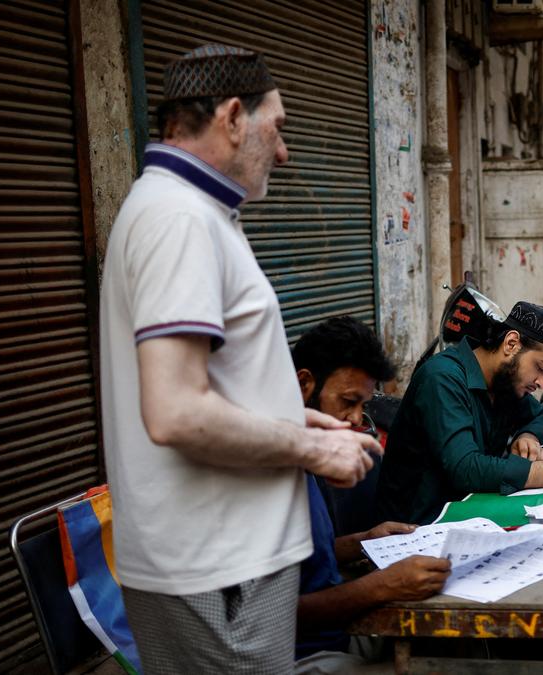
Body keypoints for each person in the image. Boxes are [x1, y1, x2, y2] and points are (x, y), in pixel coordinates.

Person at [98, 45, 382, 673]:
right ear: (231, 117)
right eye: (276, 127)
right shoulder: (180, 220)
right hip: (218, 568)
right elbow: (174, 412)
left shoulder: (193, 212)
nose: (283, 152)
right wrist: (313, 450)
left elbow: (208, 387)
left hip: (225, 565)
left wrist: (296, 418)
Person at [288, 318, 451, 673]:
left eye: (362, 404)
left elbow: (302, 561)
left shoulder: (311, 454)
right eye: (348, 401)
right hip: (299, 656)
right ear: (304, 384)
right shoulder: (272, 470)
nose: (357, 418)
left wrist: (364, 542)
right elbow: (276, 614)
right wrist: (383, 586)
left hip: (341, 632)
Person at [374, 302, 543, 524]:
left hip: (473, 510)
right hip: (419, 525)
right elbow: (465, 468)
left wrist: (528, 436)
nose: (541, 383)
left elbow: (541, 417)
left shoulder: (504, 384)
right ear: (511, 344)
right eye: (540, 368)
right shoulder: (442, 378)